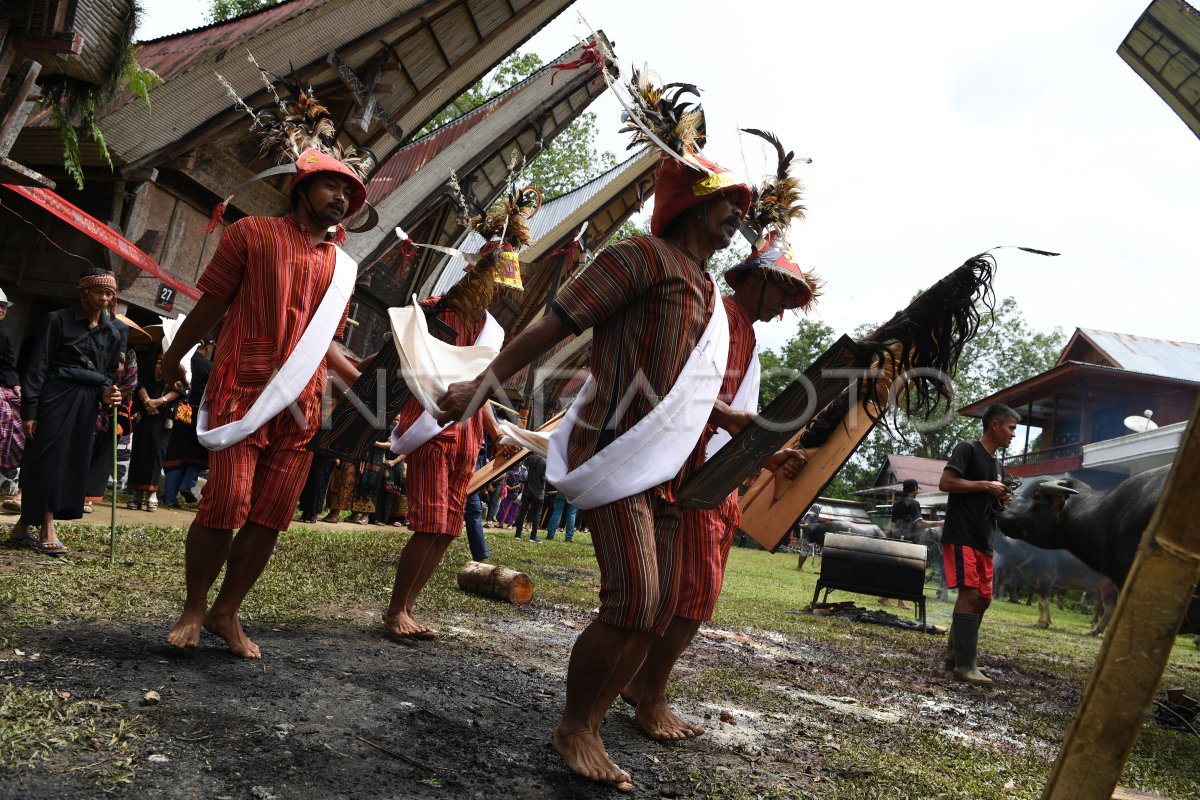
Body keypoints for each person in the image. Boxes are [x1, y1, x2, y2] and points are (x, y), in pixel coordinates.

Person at [435, 74, 794, 789]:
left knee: (655, 605)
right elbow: (556, 323)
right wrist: (483, 383)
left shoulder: (702, 286)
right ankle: (576, 726)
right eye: (728, 203)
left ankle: (593, 720)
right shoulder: (637, 257)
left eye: (740, 207)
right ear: (692, 200)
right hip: (617, 449)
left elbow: (683, 390)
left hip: (672, 466)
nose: (736, 217)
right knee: (632, 598)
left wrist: (738, 424)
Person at [161, 87, 370, 658]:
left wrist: (364, 377)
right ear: (301, 186)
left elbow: (321, 343)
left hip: (302, 404)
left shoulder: (343, 268)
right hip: (240, 389)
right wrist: (173, 354)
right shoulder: (251, 234)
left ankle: (228, 613)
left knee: (271, 516)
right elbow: (209, 305)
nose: (342, 199)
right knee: (225, 502)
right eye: (333, 185)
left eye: (350, 194)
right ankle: (194, 607)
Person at [622, 168, 819, 741]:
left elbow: (734, 411)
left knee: (693, 593)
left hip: (716, 472)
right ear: (754, 280)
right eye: (782, 292)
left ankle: (643, 686)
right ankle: (647, 693)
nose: (784, 309)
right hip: (692, 470)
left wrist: (764, 457)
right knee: (686, 593)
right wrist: (743, 444)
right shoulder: (718, 313)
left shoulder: (747, 331)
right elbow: (685, 390)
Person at [381, 179, 528, 641]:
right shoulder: (433, 311)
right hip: (429, 428)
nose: (502, 296)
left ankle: (408, 606)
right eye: (498, 286)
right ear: (475, 277)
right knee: (427, 525)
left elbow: (476, 391)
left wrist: (496, 431)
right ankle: (395, 610)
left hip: (466, 437)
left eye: (506, 289)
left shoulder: (492, 333)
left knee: (446, 530)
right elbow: (403, 368)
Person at [6, 268, 124, 555]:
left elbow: (107, 374)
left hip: (87, 404)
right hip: (55, 397)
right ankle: (47, 527)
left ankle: (22, 527)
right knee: (48, 459)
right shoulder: (57, 320)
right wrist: (30, 410)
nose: (104, 298)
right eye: (99, 291)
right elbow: (38, 366)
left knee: (70, 461)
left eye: (109, 293)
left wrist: (108, 393)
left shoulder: (112, 332)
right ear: (83, 291)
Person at [937, 402, 1019, 686]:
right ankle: (965, 665)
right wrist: (985, 485)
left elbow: (990, 496)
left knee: (983, 598)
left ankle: (954, 654)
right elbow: (946, 482)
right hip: (962, 533)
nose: (1013, 435)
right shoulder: (967, 449)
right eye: (1011, 428)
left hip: (985, 536)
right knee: (970, 594)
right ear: (995, 425)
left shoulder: (998, 464)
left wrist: (1001, 497)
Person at [161, 337, 213, 509]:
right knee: (197, 453)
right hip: (200, 414)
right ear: (207, 348)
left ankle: (169, 498)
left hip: (180, 411)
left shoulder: (183, 363)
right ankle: (186, 483)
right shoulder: (209, 367)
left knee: (176, 453)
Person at [127, 347, 181, 511]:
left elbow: (182, 389)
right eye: (159, 361)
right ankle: (137, 493)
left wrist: (160, 401)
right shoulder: (149, 358)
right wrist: (147, 401)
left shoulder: (179, 364)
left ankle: (152, 492)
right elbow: (139, 382)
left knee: (157, 452)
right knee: (139, 452)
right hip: (145, 413)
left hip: (163, 415)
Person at [0, 288, 26, 483]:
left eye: (4, 307)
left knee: (13, 418)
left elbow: (8, 364)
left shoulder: (4, 333)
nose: (2, 310)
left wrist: (15, 384)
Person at [513, 452, 546, 543]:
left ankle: (518, 535)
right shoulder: (545, 462)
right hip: (539, 491)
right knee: (537, 514)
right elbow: (545, 478)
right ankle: (533, 536)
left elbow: (525, 472)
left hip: (527, 489)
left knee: (523, 511)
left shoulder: (529, 458)